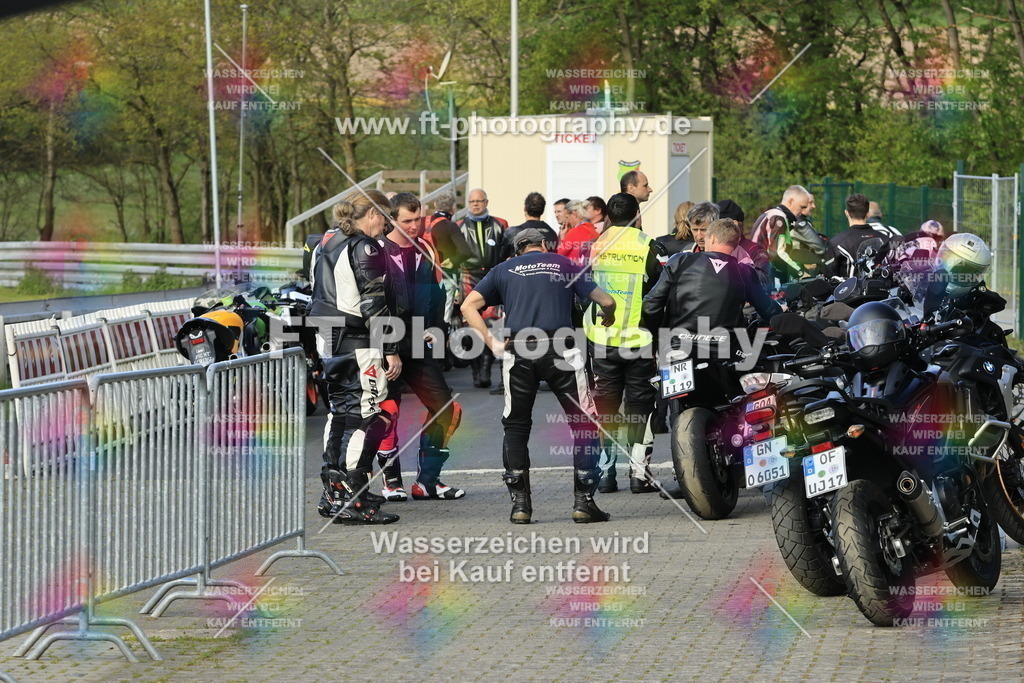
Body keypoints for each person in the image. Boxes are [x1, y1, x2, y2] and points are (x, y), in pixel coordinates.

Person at [460, 228, 617, 524]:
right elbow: (605, 301)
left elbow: (468, 305)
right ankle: (584, 503)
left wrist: (492, 342)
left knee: (516, 427)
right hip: (562, 349)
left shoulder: (503, 268)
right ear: (544, 245)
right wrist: (609, 315)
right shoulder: (564, 263)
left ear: (518, 250)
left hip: (519, 349)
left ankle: (520, 506)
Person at [309, 189, 401, 525]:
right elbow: (374, 303)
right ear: (373, 214)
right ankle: (353, 495)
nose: (387, 226)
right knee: (368, 415)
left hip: (329, 337)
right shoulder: (365, 246)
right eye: (385, 217)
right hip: (357, 341)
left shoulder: (325, 241)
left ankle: (334, 490)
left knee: (340, 414)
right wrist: (390, 349)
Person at [375, 193, 465, 501]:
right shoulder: (375, 251)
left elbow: (438, 296)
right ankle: (391, 483)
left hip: (420, 344)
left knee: (446, 409)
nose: (415, 226)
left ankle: (427, 482)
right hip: (386, 345)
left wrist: (436, 332)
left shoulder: (427, 248)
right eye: (407, 221)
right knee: (387, 412)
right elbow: (372, 305)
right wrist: (387, 346)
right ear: (392, 220)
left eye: (419, 219)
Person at [584, 193, 665, 494]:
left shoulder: (595, 245)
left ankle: (605, 475)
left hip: (602, 339)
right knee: (641, 405)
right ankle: (639, 475)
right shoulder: (647, 246)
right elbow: (660, 292)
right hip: (638, 338)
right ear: (636, 215)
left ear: (608, 215)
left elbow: (582, 288)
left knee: (605, 406)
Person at [643, 218, 783, 348]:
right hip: (723, 351)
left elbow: (651, 304)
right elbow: (768, 309)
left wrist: (658, 338)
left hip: (679, 347)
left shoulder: (680, 260)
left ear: (713, 238)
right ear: (735, 243)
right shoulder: (745, 272)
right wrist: (782, 311)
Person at [458, 188, 509, 388]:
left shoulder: (501, 224)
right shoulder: (459, 226)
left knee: (490, 325)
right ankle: (476, 370)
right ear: (468, 203)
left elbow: (507, 251)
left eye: (479, 201)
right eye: (472, 201)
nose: (476, 204)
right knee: (469, 326)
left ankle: (486, 368)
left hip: (492, 276)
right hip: (468, 277)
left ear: (486, 202)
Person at [749, 185, 828, 284]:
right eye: (801, 207)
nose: (802, 211)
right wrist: (800, 272)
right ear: (791, 201)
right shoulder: (779, 218)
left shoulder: (771, 213)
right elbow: (778, 253)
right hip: (763, 273)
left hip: (758, 269)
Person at [424, 191, 473, 326]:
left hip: (422, 277)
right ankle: (440, 343)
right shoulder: (450, 226)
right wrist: (453, 261)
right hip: (445, 277)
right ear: (453, 208)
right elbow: (465, 251)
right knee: (443, 316)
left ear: (435, 205)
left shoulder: (422, 223)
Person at [823, 193, 897, 279]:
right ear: (868, 214)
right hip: (883, 291)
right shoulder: (885, 239)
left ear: (847, 213)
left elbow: (830, 275)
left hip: (850, 291)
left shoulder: (836, 243)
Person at [717, 199, 771, 292]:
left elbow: (762, 283)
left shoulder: (755, 251)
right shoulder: (709, 247)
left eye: (718, 226)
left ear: (735, 225)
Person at [502, 192, 559, 262]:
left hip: (519, 271)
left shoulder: (512, 232)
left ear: (525, 208)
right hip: (546, 270)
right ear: (543, 210)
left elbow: (501, 257)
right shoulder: (552, 233)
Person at [557, 199, 599, 265]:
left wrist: (562, 238)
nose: (567, 221)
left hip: (574, 271)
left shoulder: (574, 232)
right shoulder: (595, 232)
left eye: (567, 217)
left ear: (574, 214)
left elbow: (559, 256)